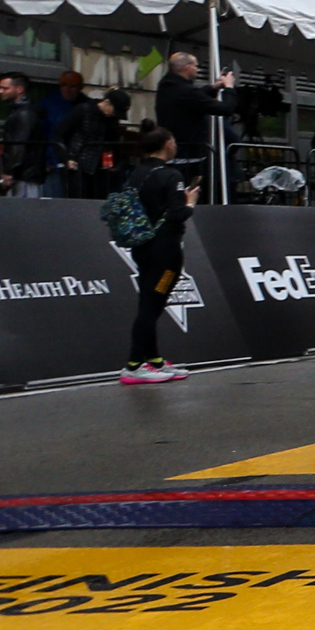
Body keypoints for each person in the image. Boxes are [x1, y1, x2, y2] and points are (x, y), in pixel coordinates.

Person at [114, 123, 195, 385]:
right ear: (168, 144)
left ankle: (154, 360)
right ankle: (134, 364)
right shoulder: (171, 175)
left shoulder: (135, 174)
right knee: (153, 305)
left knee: (148, 301)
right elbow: (177, 214)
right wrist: (190, 202)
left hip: (141, 247)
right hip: (165, 250)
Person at [154, 52, 242, 200]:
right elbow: (225, 108)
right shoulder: (186, 91)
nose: (197, 69)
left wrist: (214, 88)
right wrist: (229, 88)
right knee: (188, 195)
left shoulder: (167, 87)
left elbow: (195, 98)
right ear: (187, 68)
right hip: (188, 155)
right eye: (195, 66)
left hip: (175, 151)